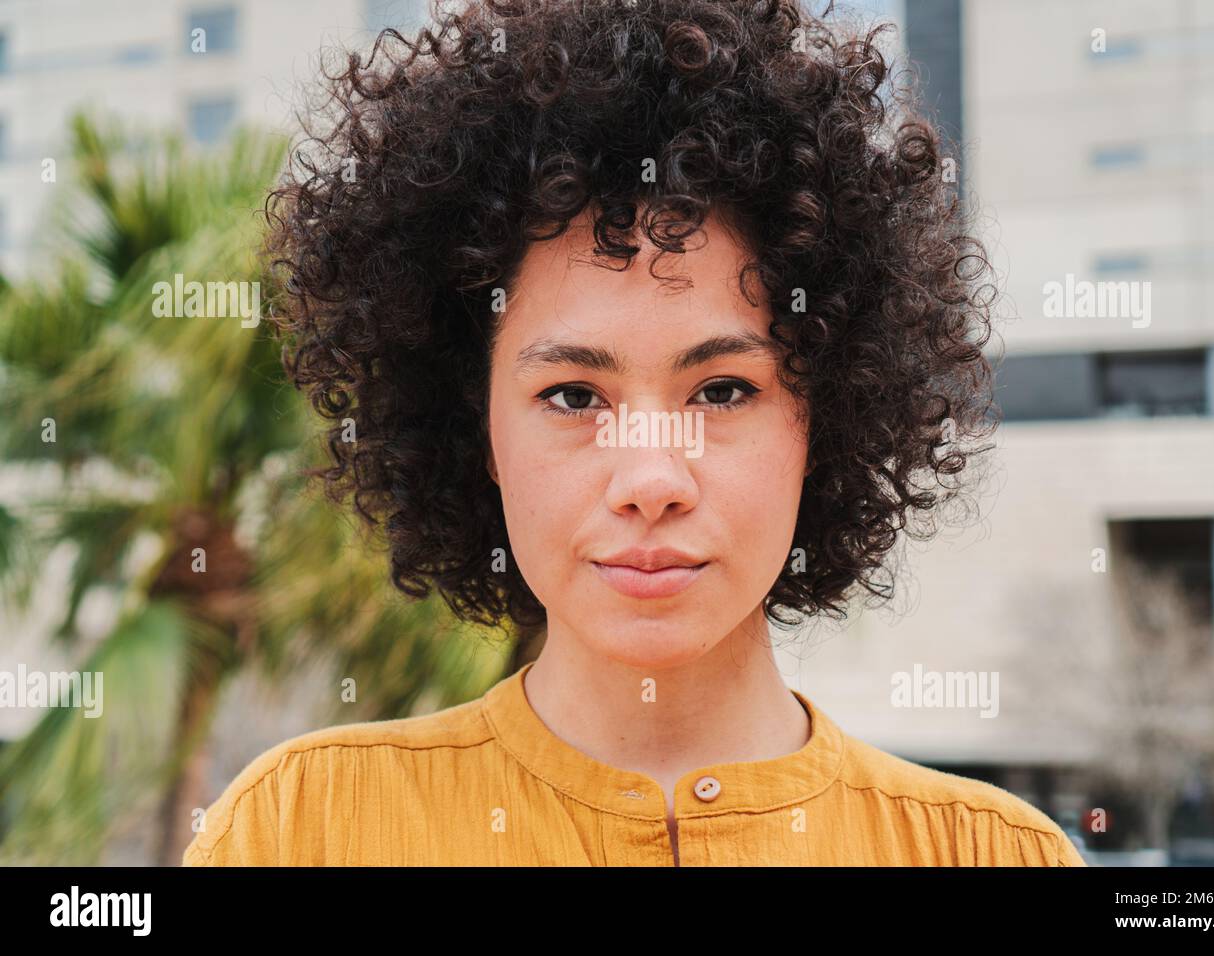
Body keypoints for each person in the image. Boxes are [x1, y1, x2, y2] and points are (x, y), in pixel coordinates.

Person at [183, 0, 1086, 866]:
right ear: (476, 426)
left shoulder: (991, 855)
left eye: (724, 391)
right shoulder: (302, 833)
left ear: (829, 416)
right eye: (574, 395)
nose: (652, 477)